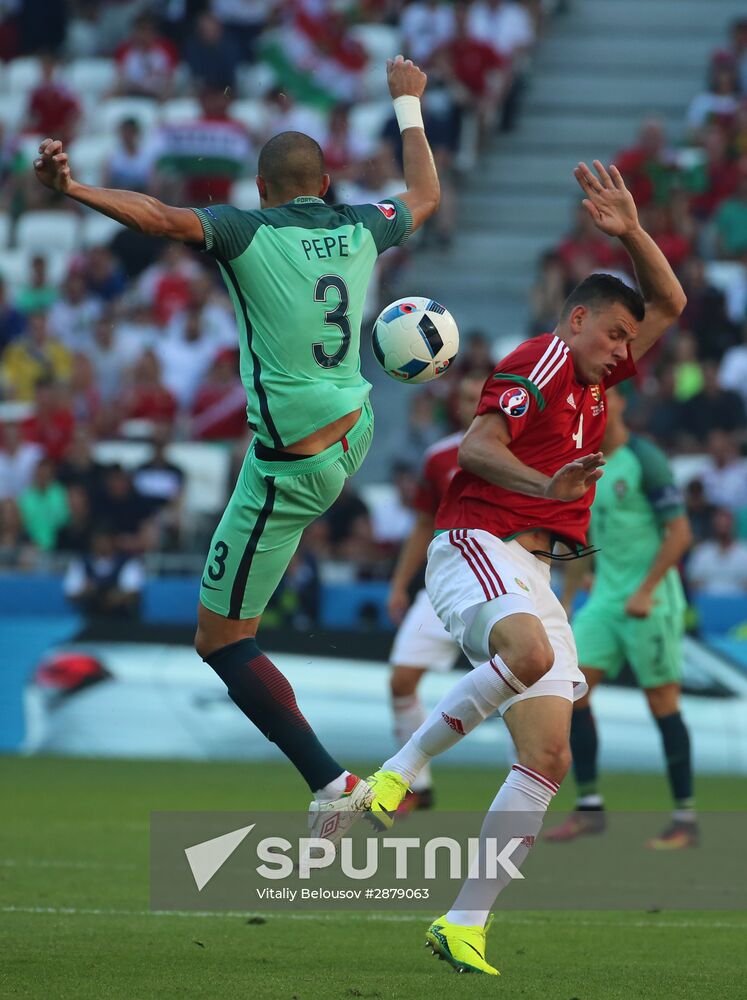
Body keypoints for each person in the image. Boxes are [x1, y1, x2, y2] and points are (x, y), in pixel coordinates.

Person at [33, 55, 440, 834]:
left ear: (261, 191)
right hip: (353, 429)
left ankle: (331, 785)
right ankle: (330, 782)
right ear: (322, 187)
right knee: (233, 609)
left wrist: (75, 190)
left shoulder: (243, 230)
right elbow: (424, 194)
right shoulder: (358, 224)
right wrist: (407, 104)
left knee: (219, 639)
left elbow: (158, 216)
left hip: (290, 468)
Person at [363, 160, 686, 975]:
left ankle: (463, 923)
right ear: (576, 320)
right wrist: (546, 483)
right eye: (613, 333)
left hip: (532, 573)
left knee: (548, 757)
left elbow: (671, 304)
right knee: (532, 658)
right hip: (476, 541)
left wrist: (632, 231)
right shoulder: (542, 360)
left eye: (624, 340)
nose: (622, 352)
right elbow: (477, 447)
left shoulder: (595, 372)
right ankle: (403, 768)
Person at [546, 387, 695, 849]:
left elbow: (681, 533)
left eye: (604, 400)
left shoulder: (644, 458)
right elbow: (582, 541)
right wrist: (569, 599)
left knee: (662, 703)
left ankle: (684, 820)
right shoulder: (589, 465)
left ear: (622, 405)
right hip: (606, 602)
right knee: (572, 693)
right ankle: (589, 808)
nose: (597, 408)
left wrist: (646, 590)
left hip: (650, 603)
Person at [386, 373, 484, 812]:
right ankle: (417, 788)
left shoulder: (523, 453)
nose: (470, 403)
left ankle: (529, 792)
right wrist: (399, 584)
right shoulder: (439, 456)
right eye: (464, 396)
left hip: (496, 589)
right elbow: (424, 523)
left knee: (522, 697)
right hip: (445, 586)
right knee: (401, 680)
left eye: (477, 396)